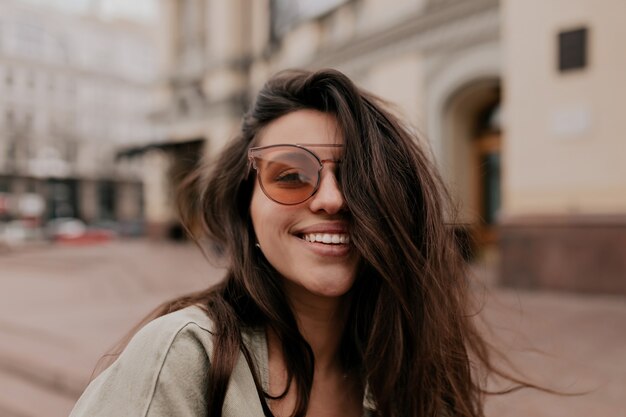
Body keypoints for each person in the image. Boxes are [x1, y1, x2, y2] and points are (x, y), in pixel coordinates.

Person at [69, 68, 526, 417]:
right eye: (290, 176)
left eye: (360, 178)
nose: (332, 199)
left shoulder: (416, 361)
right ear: (246, 204)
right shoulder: (185, 356)